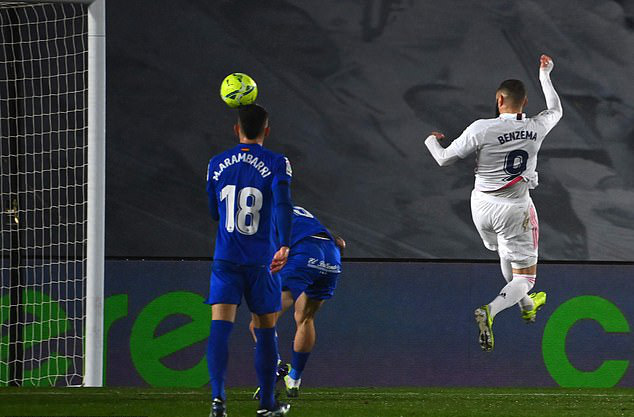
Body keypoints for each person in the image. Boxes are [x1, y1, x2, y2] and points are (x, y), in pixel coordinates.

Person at [423, 55, 562, 351]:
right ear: (523, 103)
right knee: (526, 277)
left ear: (500, 99)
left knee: (503, 250)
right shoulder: (537, 126)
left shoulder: (482, 128)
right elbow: (556, 110)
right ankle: (491, 310)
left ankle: (526, 306)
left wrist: (431, 141)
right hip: (515, 209)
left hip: (481, 207)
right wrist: (545, 75)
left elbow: (443, 158)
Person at [205, 104, 293, 417]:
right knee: (266, 329)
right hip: (262, 261)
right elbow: (283, 204)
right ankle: (267, 404)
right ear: (266, 131)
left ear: (236, 129)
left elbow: (214, 212)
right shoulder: (277, 162)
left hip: (226, 259)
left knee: (220, 327)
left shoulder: (216, 163)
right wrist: (284, 244)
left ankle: (218, 401)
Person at [250, 205, 345, 398]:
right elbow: (341, 243)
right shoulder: (299, 210)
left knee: (260, 322)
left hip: (303, 254)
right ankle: (294, 379)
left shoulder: (262, 212)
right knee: (305, 319)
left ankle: (275, 366)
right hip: (331, 255)